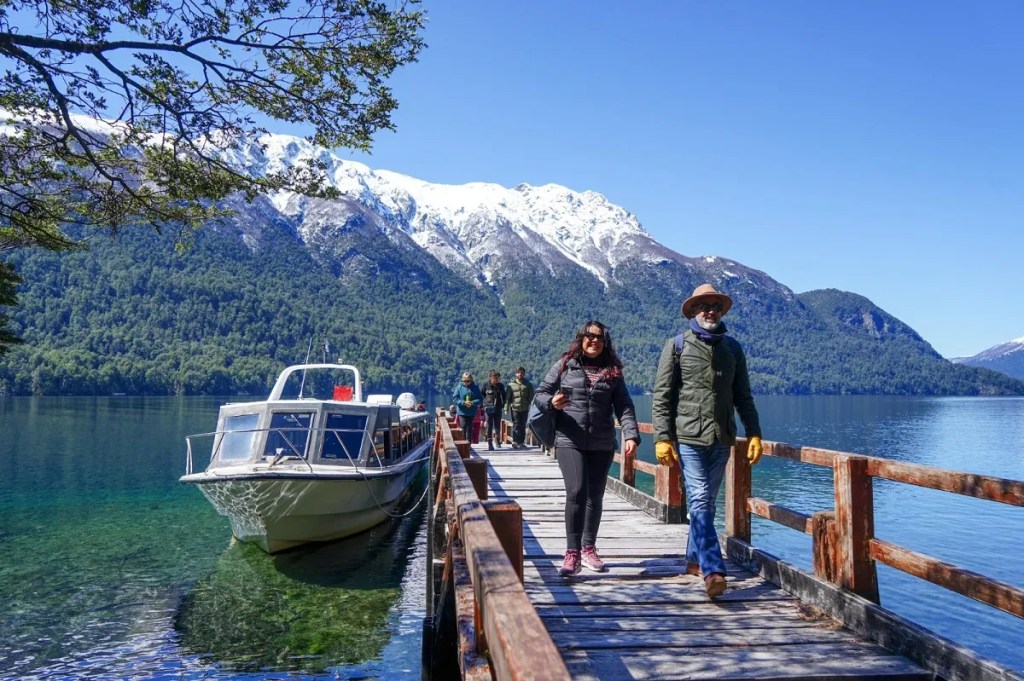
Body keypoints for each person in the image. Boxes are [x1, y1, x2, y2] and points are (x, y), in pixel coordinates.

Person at [652, 283, 764, 599]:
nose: (710, 311)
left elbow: (743, 395)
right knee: (700, 501)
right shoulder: (676, 346)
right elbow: (662, 396)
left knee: (707, 504)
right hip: (688, 438)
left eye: (715, 306)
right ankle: (713, 570)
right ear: (693, 312)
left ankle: (692, 560)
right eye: (704, 306)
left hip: (722, 438)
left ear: (721, 311)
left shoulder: (733, 349)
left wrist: (754, 432)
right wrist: (662, 437)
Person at [534, 320, 640, 576]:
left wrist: (631, 435)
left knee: (595, 496)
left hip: (602, 442)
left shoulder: (613, 371)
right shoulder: (565, 365)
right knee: (577, 490)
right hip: (570, 438)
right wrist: (553, 402)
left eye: (599, 338)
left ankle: (589, 548)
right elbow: (540, 393)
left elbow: (624, 406)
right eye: (589, 336)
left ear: (605, 343)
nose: (594, 341)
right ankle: (572, 553)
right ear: (581, 339)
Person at [504, 366, 534, 449]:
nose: (520, 374)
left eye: (521, 373)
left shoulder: (528, 384)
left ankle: (521, 442)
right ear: (516, 374)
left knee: (523, 425)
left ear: (524, 374)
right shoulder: (511, 385)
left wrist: (533, 407)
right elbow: (507, 398)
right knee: (516, 425)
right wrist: (506, 408)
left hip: (525, 408)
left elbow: (532, 397)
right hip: (514, 408)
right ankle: (515, 441)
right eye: (518, 372)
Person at [450, 372, 482, 441]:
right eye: (464, 381)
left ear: (471, 380)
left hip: (471, 411)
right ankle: (463, 442)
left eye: (468, 381)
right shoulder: (459, 387)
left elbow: (480, 399)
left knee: (470, 427)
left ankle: (468, 443)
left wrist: (472, 402)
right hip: (462, 411)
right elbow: (455, 398)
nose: (466, 382)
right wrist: (463, 403)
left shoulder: (475, 388)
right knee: (463, 426)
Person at [480, 370, 506, 450]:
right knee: (489, 426)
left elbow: (504, 397)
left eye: (497, 377)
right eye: (494, 377)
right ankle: (489, 443)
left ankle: (497, 441)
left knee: (497, 426)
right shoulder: (485, 385)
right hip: (488, 409)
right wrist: (483, 406)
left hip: (498, 408)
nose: (496, 379)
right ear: (490, 377)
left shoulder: (500, 386)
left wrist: (504, 406)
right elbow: (482, 396)